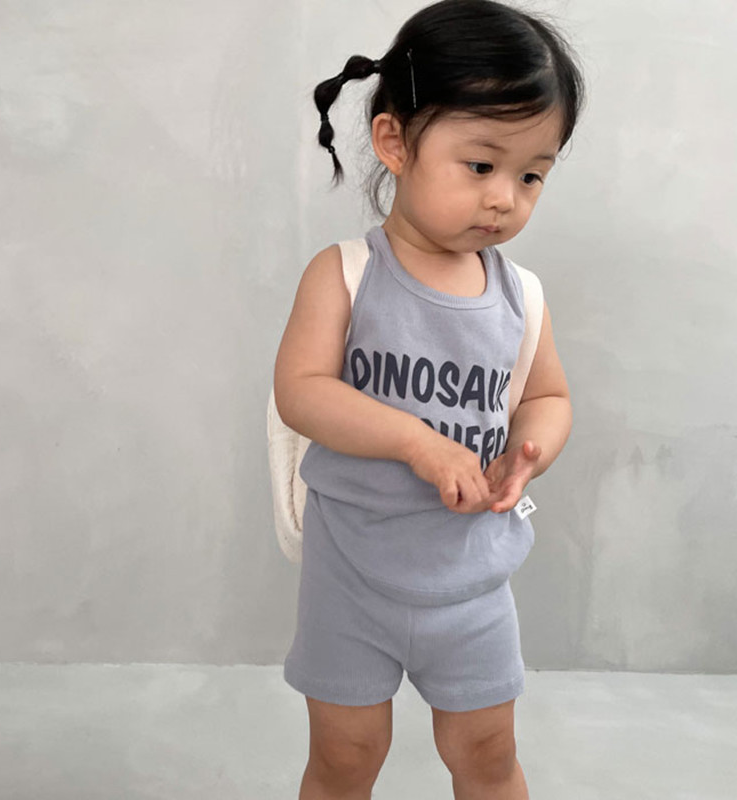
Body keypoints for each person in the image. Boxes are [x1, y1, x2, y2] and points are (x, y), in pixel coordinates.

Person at [273, 1, 586, 797]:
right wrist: (417, 442)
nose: (505, 198)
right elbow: (301, 392)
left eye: (532, 175)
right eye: (481, 165)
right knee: (345, 758)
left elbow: (548, 395)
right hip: (352, 577)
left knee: (486, 756)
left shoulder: (521, 298)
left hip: (471, 581)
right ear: (395, 142)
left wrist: (531, 450)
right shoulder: (345, 275)